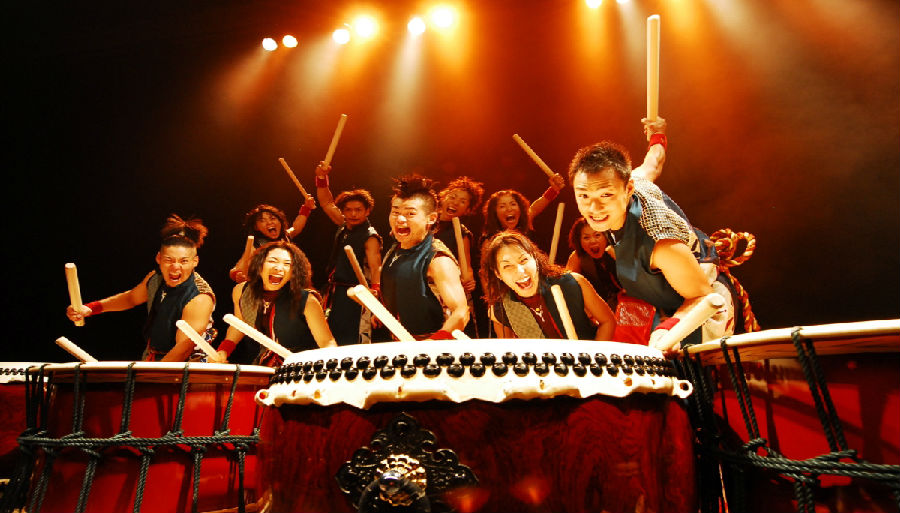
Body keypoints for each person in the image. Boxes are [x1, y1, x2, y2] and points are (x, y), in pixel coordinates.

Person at [568, 117, 731, 352]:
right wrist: (658, 136)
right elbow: (653, 162)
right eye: (583, 196)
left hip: (702, 307)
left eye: (605, 195)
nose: (594, 208)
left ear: (628, 189)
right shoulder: (637, 180)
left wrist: (668, 330)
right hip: (660, 299)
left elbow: (703, 298)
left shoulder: (661, 243)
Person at [66, 215, 215, 361]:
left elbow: (182, 350)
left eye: (183, 261)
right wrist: (90, 308)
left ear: (195, 261)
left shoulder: (199, 297)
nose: (175, 267)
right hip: (155, 357)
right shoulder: (155, 278)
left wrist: (151, 374)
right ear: (159, 258)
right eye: (169, 260)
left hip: (188, 367)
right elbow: (131, 298)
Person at [215, 241, 335, 367]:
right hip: (265, 364)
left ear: (293, 272)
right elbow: (239, 324)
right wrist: (224, 350)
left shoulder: (307, 300)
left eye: (287, 264)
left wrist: (335, 367)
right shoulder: (242, 291)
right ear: (259, 265)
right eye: (272, 261)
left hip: (301, 367)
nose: (279, 268)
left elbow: (327, 342)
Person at [481, 230, 615, 340]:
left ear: (535, 259)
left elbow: (608, 322)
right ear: (498, 274)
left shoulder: (573, 282)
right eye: (507, 266)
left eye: (524, 260)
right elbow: (509, 352)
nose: (520, 271)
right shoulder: (501, 310)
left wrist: (592, 358)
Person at [381, 175, 469, 339]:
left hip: (434, 347)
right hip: (401, 344)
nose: (400, 219)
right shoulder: (395, 249)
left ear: (431, 218)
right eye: (395, 212)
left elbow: (461, 312)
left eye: (410, 213)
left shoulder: (438, 259)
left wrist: (431, 345)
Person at [314, 161, 382, 345]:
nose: (353, 214)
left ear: (367, 211)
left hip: (357, 293)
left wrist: (375, 294)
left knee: (354, 339)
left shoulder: (370, 237)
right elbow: (326, 202)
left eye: (358, 210)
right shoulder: (344, 225)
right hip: (336, 291)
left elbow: (376, 267)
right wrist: (321, 177)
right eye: (348, 210)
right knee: (332, 336)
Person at [433, 176, 485, 336]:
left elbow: (466, 266)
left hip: (449, 290)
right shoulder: (424, 223)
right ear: (442, 197)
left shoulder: (462, 233)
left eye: (462, 201)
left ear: (467, 210)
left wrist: (469, 279)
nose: (455, 202)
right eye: (453, 197)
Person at [229, 200, 316, 283]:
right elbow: (235, 270)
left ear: (280, 221)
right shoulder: (256, 246)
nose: (269, 222)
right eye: (262, 220)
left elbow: (296, 227)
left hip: (287, 285)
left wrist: (307, 207)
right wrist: (237, 275)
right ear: (256, 227)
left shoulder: (285, 237)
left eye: (272, 218)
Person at [480, 172, 566, 243]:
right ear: (495, 213)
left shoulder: (525, 221)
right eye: (502, 206)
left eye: (513, 204)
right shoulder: (489, 241)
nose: (509, 209)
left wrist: (554, 189)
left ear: (520, 208)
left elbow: (535, 207)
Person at [565, 217, 623, 309]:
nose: (592, 241)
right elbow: (567, 287)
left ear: (606, 236)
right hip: (600, 308)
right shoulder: (578, 257)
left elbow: (639, 279)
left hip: (631, 302)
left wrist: (617, 257)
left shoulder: (618, 248)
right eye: (586, 237)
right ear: (579, 241)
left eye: (597, 235)